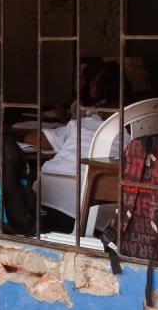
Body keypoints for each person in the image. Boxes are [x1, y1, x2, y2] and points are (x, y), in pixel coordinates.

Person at [26, 63, 124, 234]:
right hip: (102, 221)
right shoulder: (139, 136)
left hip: (50, 203)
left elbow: (32, 138)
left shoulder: (85, 123)